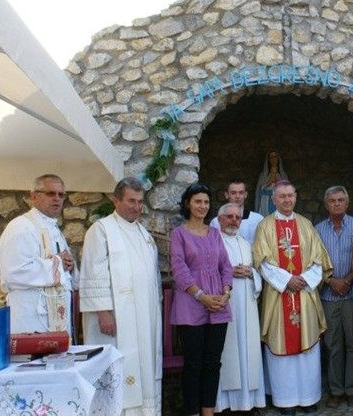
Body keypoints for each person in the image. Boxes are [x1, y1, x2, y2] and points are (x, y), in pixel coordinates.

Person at [80, 177, 162, 414]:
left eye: (139, 201)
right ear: (116, 200)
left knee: (142, 366)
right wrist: (103, 313)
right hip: (115, 318)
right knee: (117, 368)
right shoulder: (102, 230)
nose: (136, 207)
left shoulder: (142, 232)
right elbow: (93, 272)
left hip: (143, 316)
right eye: (130, 201)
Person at [252, 180, 332, 415]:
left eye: (290, 196)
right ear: (274, 199)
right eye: (282, 196)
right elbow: (261, 261)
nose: (287, 200)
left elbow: (319, 259)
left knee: (307, 347)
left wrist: (304, 279)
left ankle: (309, 397)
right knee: (281, 343)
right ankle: (285, 400)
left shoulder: (306, 225)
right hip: (278, 296)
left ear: (296, 197)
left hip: (305, 296)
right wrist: (287, 280)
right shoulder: (265, 227)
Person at [170, 183, 232, 416]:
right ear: (188, 203)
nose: (203, 206)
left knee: (213, 363)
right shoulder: (179, 234)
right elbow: (179, 269)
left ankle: (208, 411)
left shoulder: (215, 233)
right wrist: (201, 296)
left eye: (206, 202)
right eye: (198, 201)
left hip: (218, 304)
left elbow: (225, 265)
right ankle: (192, 412)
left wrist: (225, 293)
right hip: (190, 305)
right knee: (193, 363)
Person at [0, 174, 76, 334]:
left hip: (54, 314)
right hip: (30, 316)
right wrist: (57, 263)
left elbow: (62, 269)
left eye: (61, 195)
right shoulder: (21, 227)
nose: (57, 199)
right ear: (33, 196)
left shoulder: (54, 229)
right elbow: (13, 272)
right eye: (50, 193)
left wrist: (68, 265)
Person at [314, 186, 353, 409]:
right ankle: (335, 390)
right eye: (332, 200)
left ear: (347, 202)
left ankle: (352, 389)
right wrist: (331, 281)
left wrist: (349, 279)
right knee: (333, 345)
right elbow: (313, 262)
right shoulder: (316, 230)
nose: (337, 204)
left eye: (341, 200)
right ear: (326, 204)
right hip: (328, 294)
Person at [215, 202, 266, 414]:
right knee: (227, 352)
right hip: (225, 304)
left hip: (248, 305)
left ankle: (248, 402)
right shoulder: (214, 242)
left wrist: (250, 274)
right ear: (220, 220)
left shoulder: (246, 244)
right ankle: (225, 403)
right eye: (229, 216)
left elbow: (257, 272)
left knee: (248, 351)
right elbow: (209, 271)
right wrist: (228, 274)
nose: (233, 221)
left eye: (237, 217)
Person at [210, 179, 263, 244]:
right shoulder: (217, 222)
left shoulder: (257, 219)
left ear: (245, 195)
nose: (237, 196)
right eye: (233, 193)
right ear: (226, 195)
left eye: (241, 193)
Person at [255, 151, 288, 216]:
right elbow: (259, 191)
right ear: (268, 160)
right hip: (265, 202)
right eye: (271, 157)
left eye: (275, 157)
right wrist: (270, 179)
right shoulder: (263, 175)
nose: (273, 159)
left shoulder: (283, 175)